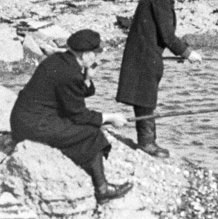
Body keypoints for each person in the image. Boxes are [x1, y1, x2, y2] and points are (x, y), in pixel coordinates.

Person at [10, 29, 133, 203]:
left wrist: (88, 78)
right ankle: (102, 189)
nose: (97, 57)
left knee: (83, 129)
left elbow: (70, 96)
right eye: (96, 53)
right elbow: (78, 115)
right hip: (33, 125)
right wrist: (111, 117)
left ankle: (100, 184)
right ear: (85, 54)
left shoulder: (60, 60)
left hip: (26, 119)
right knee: (91, 132)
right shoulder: (70, 73)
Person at [116, 0, 202, 159]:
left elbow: (160, 33)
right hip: (145, 54)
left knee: (145, 96)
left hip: (144, 52)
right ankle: (147, 143)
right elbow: (167, 35)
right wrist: (187, 53)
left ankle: (148, 140)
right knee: (145, 97)